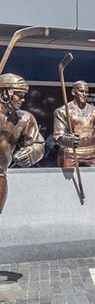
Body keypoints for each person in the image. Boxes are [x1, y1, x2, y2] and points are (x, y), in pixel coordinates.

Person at [0, 74, 45, 214]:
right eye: (19, 95)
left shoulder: (24, 119)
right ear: (6, 94)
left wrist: (32, 152)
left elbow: (37, 143)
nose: (23, 99)